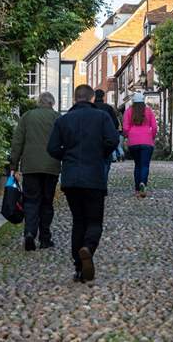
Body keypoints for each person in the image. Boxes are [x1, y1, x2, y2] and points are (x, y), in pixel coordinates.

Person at [47, 84, 120, 283]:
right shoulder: (102, 117)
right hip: (94, 177)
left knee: (78, 221)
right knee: (94, 221)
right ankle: (88, 247)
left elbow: (52, 148)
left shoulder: (63, 120)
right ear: (90, 99)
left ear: (74, 99)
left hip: (71, 178)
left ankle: (79, 267)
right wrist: (100, 153)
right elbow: (113, 140)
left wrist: (67, 156)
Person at [10, 92, 61, 251]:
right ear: (52, 103)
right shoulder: (57, 117)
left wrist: (13, 165)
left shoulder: (27, 117)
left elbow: (17, 142)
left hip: (30, 166)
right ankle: (45, 237)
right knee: (47, 202)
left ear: (38, 102)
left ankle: (30, 232)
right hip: (51, 166)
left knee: (31, 201)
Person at [123, 92, 158, 198]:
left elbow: (125, 127)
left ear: (133, 101)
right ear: (143, 101)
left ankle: (137, 189)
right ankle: (143, 183)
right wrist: (151, 136)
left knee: (137, 165)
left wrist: (128, 135)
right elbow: (155, 127)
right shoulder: (148, 111)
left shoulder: (129, 111)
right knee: (145, 165)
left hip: (133, 142)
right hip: (147, 141)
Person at [93, 89, 123, 165]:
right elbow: (115, 123)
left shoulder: (91, 108)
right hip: (106, 137)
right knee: (106, 162)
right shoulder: (108, 108)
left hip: (93, 138)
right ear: (103, 96)